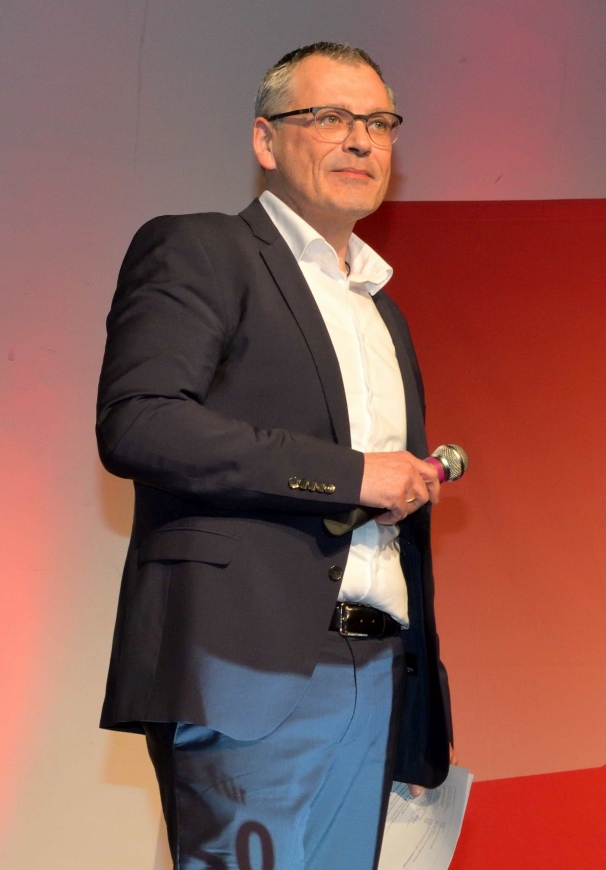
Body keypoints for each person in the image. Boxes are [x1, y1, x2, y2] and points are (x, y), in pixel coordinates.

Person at [97, 42, 453, 870]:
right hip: (246, 660)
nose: (359, 140)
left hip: (377, 664)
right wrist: (353, 474)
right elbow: (141, 423)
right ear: (265, 140)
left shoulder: (383, 311)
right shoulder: (202, 250)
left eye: (379, 123)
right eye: (330, 117)